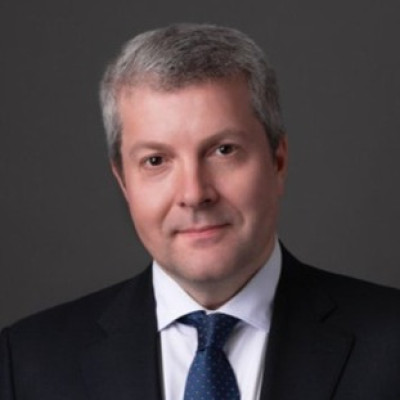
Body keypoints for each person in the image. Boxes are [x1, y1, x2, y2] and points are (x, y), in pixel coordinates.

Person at [1, 23, 400, 400]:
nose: (194, 194)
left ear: (278, 161)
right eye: (156, 160)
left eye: (223, 150)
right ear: (124, 182)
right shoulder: (28, 363)